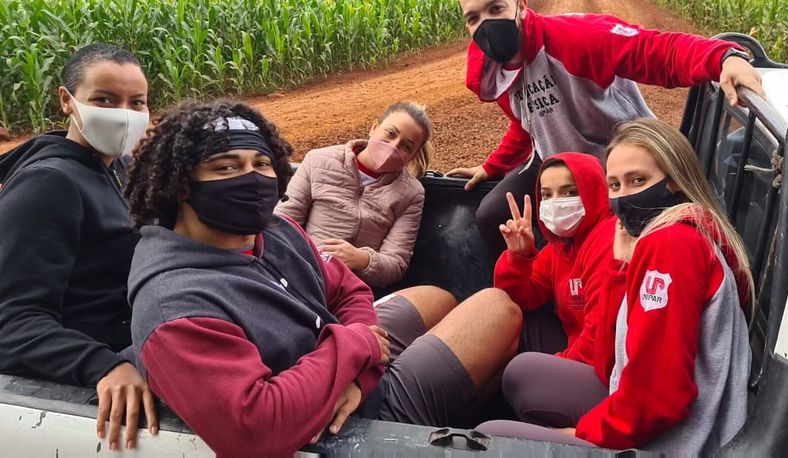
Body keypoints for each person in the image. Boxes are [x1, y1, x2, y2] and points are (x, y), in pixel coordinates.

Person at [124, 100, 522, 457]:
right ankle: (414, 435)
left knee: (438, 297)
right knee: (497, 307)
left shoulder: (274, 231)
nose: (251, 178)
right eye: (226, 167)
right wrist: (358, 345)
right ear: (180, 184)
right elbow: (257, 428)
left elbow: (350, 287)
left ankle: (430, 405)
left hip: (349, 372)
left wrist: (361, 367)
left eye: (261, 164)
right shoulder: (176, 308)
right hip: (340, 425)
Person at [446, 0, 766, 258]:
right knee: (491, 215)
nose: (486, 24)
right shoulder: (495, 73)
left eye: (496, 8)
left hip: (620, 161)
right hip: (561, 164)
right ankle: (532, 284)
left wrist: (724, 57)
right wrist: (492, 166)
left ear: (521, 7)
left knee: (611, 247)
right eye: (473, 18)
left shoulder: (574, 39)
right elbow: (527, 122)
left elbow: (653, 50)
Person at [478, 119, 754, 454]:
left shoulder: (670, 245)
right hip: (652, 414)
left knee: (487, 439)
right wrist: (622, 268)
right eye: (615, 185)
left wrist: (582, 433)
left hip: (676, 442)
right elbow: (614, 357)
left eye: (638, 180)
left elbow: (658, 397)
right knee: (519, 380)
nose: (624, 196)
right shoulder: (678, 234)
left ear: (675, 180)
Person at [0, 43, 157, 451]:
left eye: (136, 102)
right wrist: (103, 365)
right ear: (67, 101)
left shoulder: (120, 167)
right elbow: (13, 321)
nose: (123, 114)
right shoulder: (49, 184)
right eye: (104, 99)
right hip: (91, 369)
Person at [493, 153, 623, 426]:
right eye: (547, 195)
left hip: (607, 371)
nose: (556, 203)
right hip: (577, 346)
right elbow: (519, 298)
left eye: (570, 192)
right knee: (505, 315)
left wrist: (556, 364)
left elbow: (601, 340)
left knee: (522, 375)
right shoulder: (561, 245)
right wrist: (518, 256)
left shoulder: (608, 240)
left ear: (593, 190)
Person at [276, 102, 432, 288]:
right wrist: (305, 261)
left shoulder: (411, 193)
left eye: (406, 146)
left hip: (353, 289)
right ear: (374, 127)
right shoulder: (318, 161)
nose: (393, 146)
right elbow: (282, 223)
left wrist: (362, 259)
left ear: (412, 157)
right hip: (300, 274)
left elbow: (396, 263)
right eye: (390, 133)